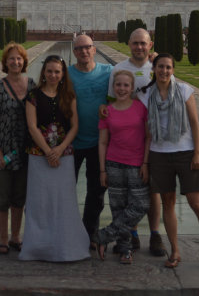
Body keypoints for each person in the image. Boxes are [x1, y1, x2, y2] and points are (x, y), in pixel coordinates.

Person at [140, 53, 199, 272]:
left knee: (196, 202)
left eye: (168, 67)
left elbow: (194, 123)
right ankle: (175, 250)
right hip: (159, 154)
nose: (164, 71)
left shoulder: (184, 91)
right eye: (160, 67)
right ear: (153, 69)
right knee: (168, 202)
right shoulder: (146, 95)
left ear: (173, 70)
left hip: (185, 153)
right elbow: (145, 132)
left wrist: (198, 153)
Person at [19, 55, 90, 262]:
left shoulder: (68, 95)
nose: (53, 75)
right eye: (49, 71)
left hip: (64, 155)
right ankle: (38, 248)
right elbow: (32, 126)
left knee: (64, 202)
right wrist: (48, 151)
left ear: (62, 74)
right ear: (44, 73)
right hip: (38, 156)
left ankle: (64, 246)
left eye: (57, 72)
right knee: (39, 203)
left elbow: (75, 126)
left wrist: (58, 149)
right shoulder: (33, 95)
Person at [105, 28, 165, 256]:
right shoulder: (119, 69)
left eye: (143, 43)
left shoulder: (158, 66)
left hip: (155, 135)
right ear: (128, 43)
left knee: (153, 189)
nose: (139, 47)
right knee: (129, 190)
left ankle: (155, 233)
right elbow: (110, 102)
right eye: (135, 43)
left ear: (150, 45)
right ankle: (131, 233)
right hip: (128, 137)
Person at [0, 42, 35, 254]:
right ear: (5, 62)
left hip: (24, 150)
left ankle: (15, 236)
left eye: (19, 58)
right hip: (1, 148)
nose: (15, 62)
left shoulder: (31, 86)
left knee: (19, 196)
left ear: (24, 62)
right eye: (11, 58)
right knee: (1, 195)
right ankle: (3, 238)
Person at [94, 69, 150, 264]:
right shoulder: (107, 111)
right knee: (118, 208)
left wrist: (145, 162)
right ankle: (125, 250)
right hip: (114, 164)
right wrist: (102, 169)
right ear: (113, 87)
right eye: (118, 85)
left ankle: (104, 235)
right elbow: (102, 142)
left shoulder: (141, 108)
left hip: (136, 164)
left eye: (126, 85)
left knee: (142, 204)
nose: (122, 88)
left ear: (132, 87)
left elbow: (148, 137)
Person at [68, 34, 114, 242]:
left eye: (87, 47)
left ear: (94, 49)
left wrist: (152, 61)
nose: (84, 51)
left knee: (96, 192)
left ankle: (90, 232)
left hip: (100, 143)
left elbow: (127, 86)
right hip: (72, 142)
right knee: (66, 189)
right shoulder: (67, 75)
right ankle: (67, 229)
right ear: (74, 52)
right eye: (79, 48)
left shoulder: (108, 72)